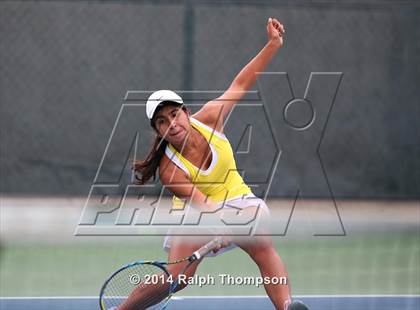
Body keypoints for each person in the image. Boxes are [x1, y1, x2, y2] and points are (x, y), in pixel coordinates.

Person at [131, 17, 309, 310]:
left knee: (262, 246)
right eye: (162, 121)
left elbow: (241, 83)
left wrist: (272, 45)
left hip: (239, 200)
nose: (171, 124)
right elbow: (203, 203)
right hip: (196, 215)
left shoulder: (211, 116)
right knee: (177, 279)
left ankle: (287, 306)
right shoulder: (170, 169)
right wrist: (222, 226)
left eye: (175, 114)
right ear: (158, 131)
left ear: (186, 112)